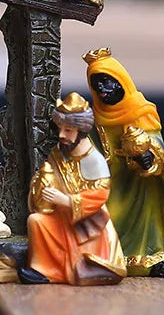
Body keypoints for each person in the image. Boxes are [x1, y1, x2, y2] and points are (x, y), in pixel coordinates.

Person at [19, 92, 127, 286]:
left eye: (68, 130)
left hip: (87, 222)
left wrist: (66, 201)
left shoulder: (94, 160)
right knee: (36, 221)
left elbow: (100, 194)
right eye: (60, 129)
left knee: (81, 245)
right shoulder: (59, 152)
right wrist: (43, 181)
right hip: (60, 215)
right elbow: (49, 176)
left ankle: (75, 269)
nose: (62, 135)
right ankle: (44, 271)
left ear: (82, 131)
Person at [85, 48, 164, 277]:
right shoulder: (95, 119)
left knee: (145, 216)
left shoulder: (141, 111)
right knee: (107, 217)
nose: (102, 89)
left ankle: (149, 258)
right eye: (96, 84)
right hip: (111, 182)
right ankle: (109, 258)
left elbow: (156, 143)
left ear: (121, 81)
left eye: (107, 81)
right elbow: (89, 149)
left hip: (140, 182)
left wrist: (149, 158)